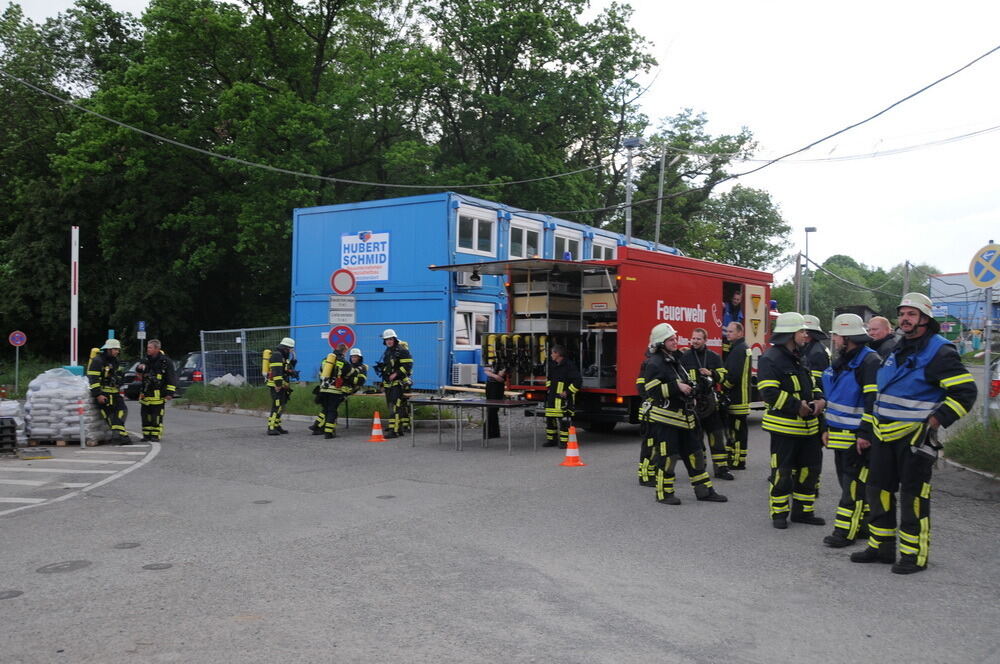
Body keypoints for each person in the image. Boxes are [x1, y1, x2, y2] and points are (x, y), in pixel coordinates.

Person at [851, 293, 977, 574]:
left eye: (912, 314)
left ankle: (913, 555)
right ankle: (881, 548)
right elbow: (881, 395)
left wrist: (936, 420)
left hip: (914, 439)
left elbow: (966, 392)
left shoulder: (940, 351)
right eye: (902, 313)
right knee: (878, 492)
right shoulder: (896, 348)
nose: (905, 319)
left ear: (925, 319)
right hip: (883, 436)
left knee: (912, 497)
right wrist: (868, 431)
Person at [643, 323, 727, 505]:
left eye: (675, 338)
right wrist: (676, 386)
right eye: (671, 339)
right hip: (667, 420)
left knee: (695, 453)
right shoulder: (654, 363)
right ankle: (664, 493)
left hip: (685, 418)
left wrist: (695, 387)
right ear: (660, 343)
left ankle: (704, 491)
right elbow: (651, 390)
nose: (676, 341)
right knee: (669, 457)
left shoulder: (674, 360)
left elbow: (686, 380)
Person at [757, 312, 826, 529]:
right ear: (790, 334)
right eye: (802, 331)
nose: (806, 335)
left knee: (810, 470)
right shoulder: (770, 358)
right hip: (785, 428)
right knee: (783, 471)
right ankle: (779, 513)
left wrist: (819, 399)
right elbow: (768, 392)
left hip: (809, 428)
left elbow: (811, 383)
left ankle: (803, 512)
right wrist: (797, 406)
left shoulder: (800, 356)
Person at [820, 314, 881, 548]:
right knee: (848, 483)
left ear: (847, 337)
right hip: (838, 434)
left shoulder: (869, 361)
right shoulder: (844, 360)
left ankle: (844, 532)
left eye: (836, 335)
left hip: (856, 436)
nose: (833, 339)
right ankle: (862, 525)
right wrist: (826, 427)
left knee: (852, 485)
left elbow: (872, 400)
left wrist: (865, 433)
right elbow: (833, 398)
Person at [681, 327, 734, 480]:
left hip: (710, 402)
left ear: (705, 340)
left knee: (716, 436)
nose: (695, 341)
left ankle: (721, 469)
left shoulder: (714, 357)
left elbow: (724, 376)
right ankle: (699, 468)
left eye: (698, 339)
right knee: (696, 439)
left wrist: (712, 373)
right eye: (693, 338)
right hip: (693, 403)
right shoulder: (685, 357)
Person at [87, 338, 131, 444]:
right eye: (115, 349)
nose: (117, 352)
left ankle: (119, 435)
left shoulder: (115, 361)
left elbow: (119, 375)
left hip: (114, 393)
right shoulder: (98, 361)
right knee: (111, 415)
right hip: (104, 394)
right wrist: (98, 395)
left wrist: (120, 380)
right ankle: (119, 436)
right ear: (109, 349)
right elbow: (93, 379)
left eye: (118, 349)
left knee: (122, 411)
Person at [721, 321, 752, 470]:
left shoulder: (739, 349)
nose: (728, 334)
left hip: (737, 398)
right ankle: (733, 456)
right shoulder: (739, 348)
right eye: (727, 331)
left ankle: (738, 460)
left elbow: (733, 375)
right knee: (734, 429)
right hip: (740, 397)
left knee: (738, 431)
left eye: (731, 331)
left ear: (740, 333)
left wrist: (723, 388)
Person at [136, 339, 177, 442]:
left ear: (157, 349)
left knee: (156, 417)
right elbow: (138, 372)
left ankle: (155, 435)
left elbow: (171, 377)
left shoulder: (165, 361)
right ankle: (146, 435)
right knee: (145, 416)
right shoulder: (145, 360)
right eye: (147, 347)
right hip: (145, 394)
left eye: (150, 347)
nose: (147, 349)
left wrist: (170, 393)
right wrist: (139, 368)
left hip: (158, 394)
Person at [544, 345, 581, 448]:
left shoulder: (569, 365)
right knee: (550, 419)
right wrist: (549, 388)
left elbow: (578, 381)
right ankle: (551, 440)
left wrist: (567, 392)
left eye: (552, 353)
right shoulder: (553, 365)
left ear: (558, 354)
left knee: (564, 421)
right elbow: (549, 379)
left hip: (563, 400)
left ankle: (564, 442)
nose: (551, 355)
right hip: (552, 398)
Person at [380, 329, 413, 438]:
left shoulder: (402, 350)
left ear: (394, 339)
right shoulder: (388, 351)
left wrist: (396, 374)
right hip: (388, 384)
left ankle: (393, 431)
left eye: (390, 339)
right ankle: (398, 429)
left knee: (395, 407)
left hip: (398, 384)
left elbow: (407, 367)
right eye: (386, 340)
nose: (388, 341)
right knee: (391, 406)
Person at [311, 344, 348, 439]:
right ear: (344, 351)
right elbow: (348, 375)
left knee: (326, 409)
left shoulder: (325, 360)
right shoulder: (343, 362)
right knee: (332, 411)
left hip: (324, 388)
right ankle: (329, 432)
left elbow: (320, 373)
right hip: (335, 390)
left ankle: (317, 426)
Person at [635, 345, 657, 486]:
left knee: (653, 445)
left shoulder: (650, 364)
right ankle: (644, 475)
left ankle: (650, 472)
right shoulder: (648, 365)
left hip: (650, 411)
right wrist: (651, 399)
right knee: (648, 445)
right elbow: (641, 387)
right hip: (649, 413)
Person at [266, 337, 295, 436]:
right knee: (277, 406)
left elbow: (284, 369)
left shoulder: (282, 356)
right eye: (291, 348)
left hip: (282, 385)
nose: (292, 351)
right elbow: (276, 371)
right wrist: (278, 385)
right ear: (286, 348)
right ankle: (271, 428)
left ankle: (277, 426)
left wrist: (292, 370)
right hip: (276, 385)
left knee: (281, 406)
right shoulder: (277, 355)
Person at [802, 314, 831, 385]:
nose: (803, 334)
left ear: (809, 333)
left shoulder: (817, 352)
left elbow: (817, 380)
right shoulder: (813, 347)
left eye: (802, 331)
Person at [482, 365, 508, 439]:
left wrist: (494, 375)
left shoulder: (503, 363)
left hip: (498, 387)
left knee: (494, 408)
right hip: (490, 385)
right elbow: (486, 371)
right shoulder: (492, 361)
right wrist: (495, 376)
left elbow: (501, 377)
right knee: (490, 408)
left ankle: (492, 432)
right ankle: (491, 433)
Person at [721, 288, 744, 358]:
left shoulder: (740, 313)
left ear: (740, 300)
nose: (735, 301)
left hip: (733, 341)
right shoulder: (726, 306)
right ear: (731, 298)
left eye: (738, 299)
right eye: (734, 299)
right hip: (723, 338)